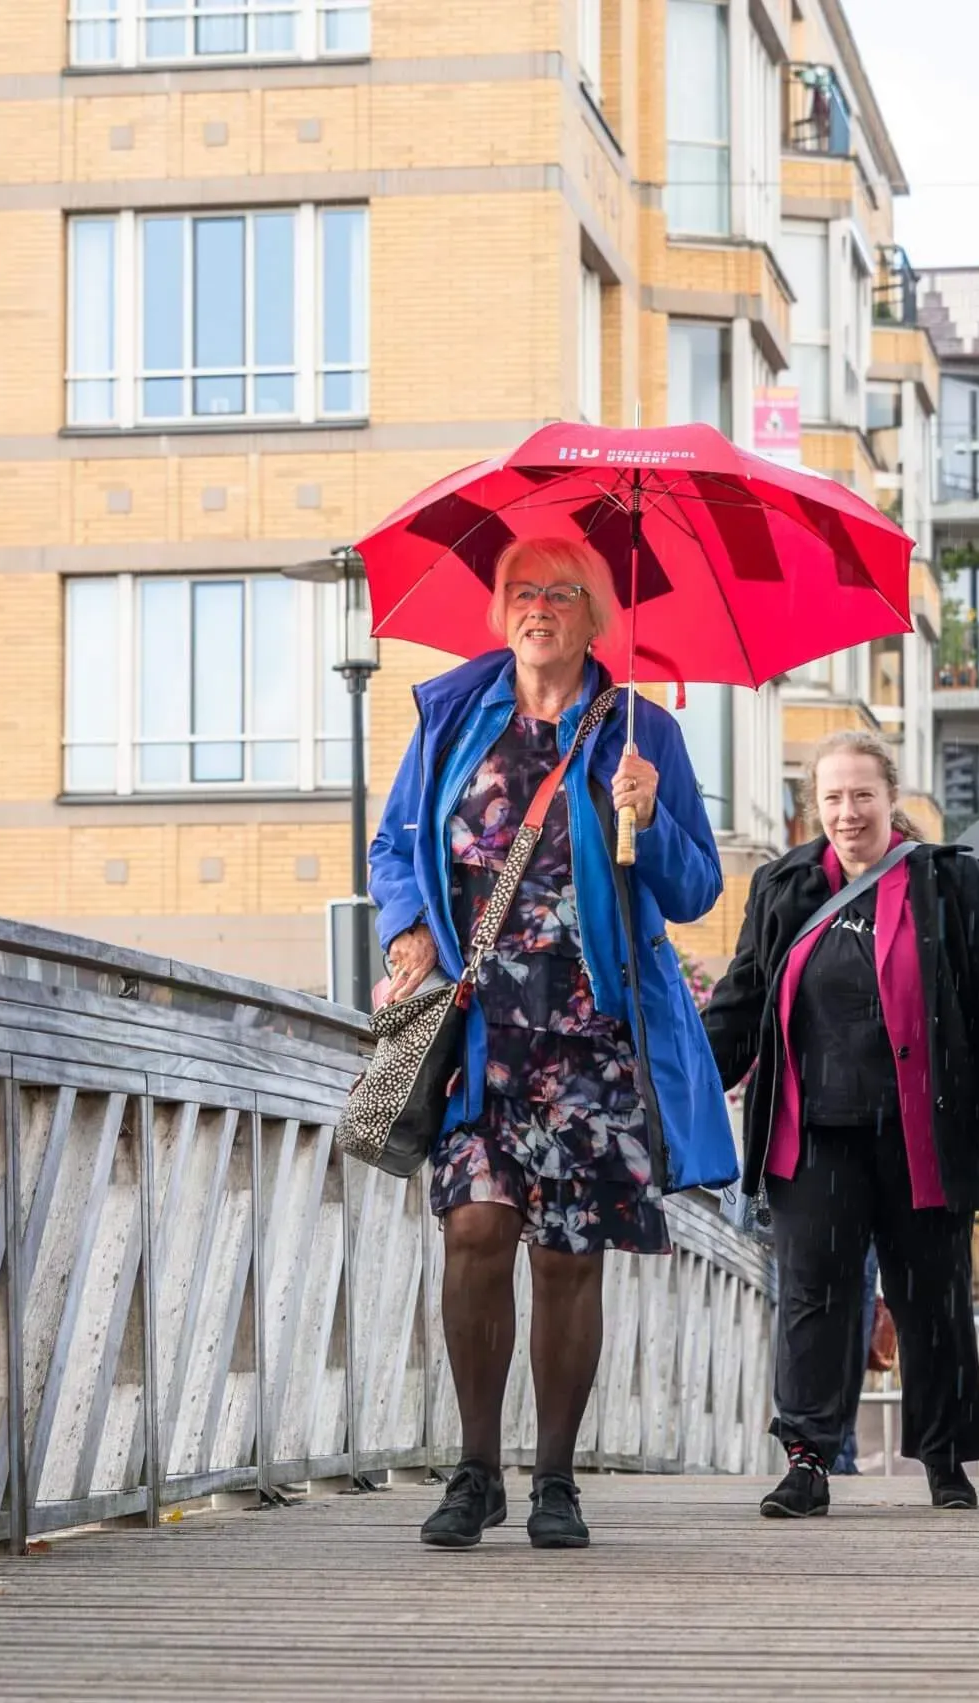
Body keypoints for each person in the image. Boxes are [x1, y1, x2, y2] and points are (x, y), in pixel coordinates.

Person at [369, 534, 738, 1550]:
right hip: (480, 1031)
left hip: (591, 1037)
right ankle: (476, 1468)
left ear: (595, 615)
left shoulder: (640, 731)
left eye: (563, 593)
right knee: (474, 1230)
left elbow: (697, 888)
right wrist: (406, 926)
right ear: (501, 611)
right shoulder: (454, 713)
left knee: (569, 1256)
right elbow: (395, 843)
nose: (539, 607)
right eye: (521, 591)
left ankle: (557, 1479)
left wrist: (649, 817)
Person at [702, 730, 979, 1517]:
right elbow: (741, 999)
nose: (848, 811)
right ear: (813, 805)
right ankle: (807, 1460)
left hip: (922, 1126)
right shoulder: (783, 884)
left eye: (863, 794)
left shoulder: (946, 880)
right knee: (813, 1296)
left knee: (933, 1293)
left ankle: (945, 1457)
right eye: (832, 796)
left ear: (892, 797)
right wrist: (684, 1088)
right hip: (813, 1130)